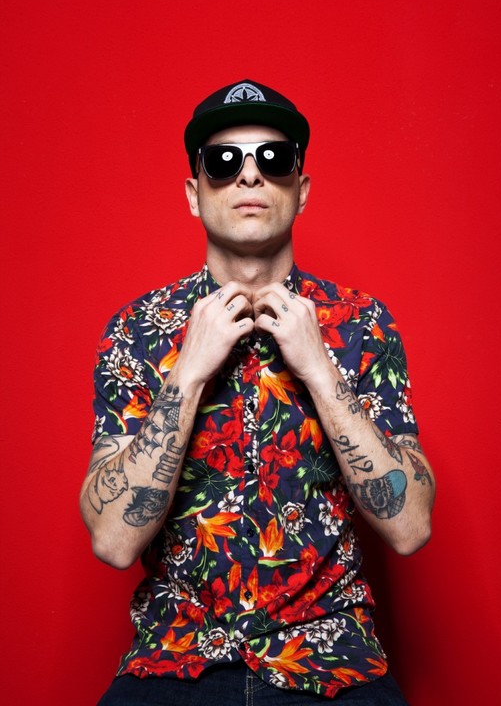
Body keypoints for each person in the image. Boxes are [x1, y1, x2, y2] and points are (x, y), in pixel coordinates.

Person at [80, 79, 435, 705]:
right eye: (223, 162)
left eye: (273, 159)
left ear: (301, 189)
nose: (249, 176)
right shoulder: (138, 330)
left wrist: (320, 370)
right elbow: (112, 540)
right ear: (194, 195)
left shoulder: (362, 325)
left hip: (332, 661)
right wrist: (188, 373)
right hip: (176, 660)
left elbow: (410, 527)